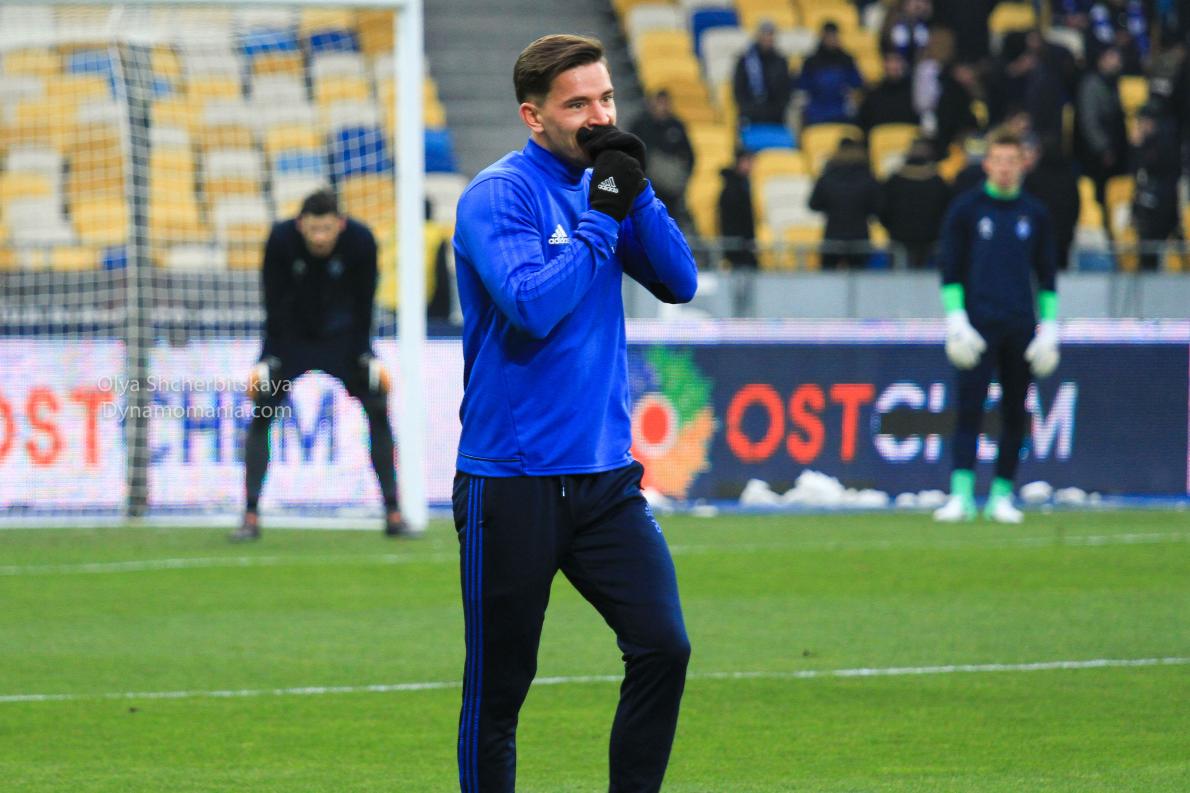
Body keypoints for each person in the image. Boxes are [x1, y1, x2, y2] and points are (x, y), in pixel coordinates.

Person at [450, 34, 696, 793]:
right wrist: (602, 216)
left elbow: (679, 282)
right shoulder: (498, 195)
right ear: (534, 116)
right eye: (578, 103)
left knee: (664, 646)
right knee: (500, 690)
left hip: (604, 478)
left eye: (607, 98)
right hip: (512, 480)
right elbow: (532, 306)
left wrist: (637, 192)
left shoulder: (608, 184)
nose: (600, 116)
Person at [233, 188, 408, 541]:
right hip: (290, 341)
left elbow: (364, 303)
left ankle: (393, 512)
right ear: (301, 225)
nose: (319, 238)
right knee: (262, 411)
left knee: (377, 407)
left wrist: (365, 354)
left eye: (326, 229)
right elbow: (273, 302)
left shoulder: (361, 242)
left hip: (343, 341)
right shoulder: (281, 241)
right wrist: (268, 357)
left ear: (339, 225)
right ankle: (250, 515)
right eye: (313, 229)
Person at [933, 128, 1059, 524]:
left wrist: (1050, 327)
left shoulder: (1035, 214)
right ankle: (961, 495)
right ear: (987, 164)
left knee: (1015, 413)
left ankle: (1002, 495)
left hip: (1020, 326)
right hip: (977, 325)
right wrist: (955, 319)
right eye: (999, 160)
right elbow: (950, 269)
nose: (1005, 168)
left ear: (1023, 164)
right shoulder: (966, 210)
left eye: (1012, 161)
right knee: (968, 410)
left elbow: (1047, 275)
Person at [1075, 45, 1129, 226]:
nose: (1117, 62)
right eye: (1112, 57)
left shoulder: (1113, 83)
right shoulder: (1091, 85)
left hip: (1116, 152)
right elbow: (1089, 122)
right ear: (1102, 59)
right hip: (1096, 157)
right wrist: (1103, 148)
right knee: (1098, 195)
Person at [809, 136, 881, 269]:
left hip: (833, 235)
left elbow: (813, 205)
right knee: (860, 276)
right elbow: (877, 207)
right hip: (859, 235)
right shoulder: (868, 178)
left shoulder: (827, 178)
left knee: (828, 275)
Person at [629, 89, 696, 231]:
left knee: (667, 223)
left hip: (670, 189)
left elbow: (690, 155)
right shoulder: (640, 124)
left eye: (665, 103)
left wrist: (682, 177)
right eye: (659, 103)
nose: (662, 107)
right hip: (645, 185)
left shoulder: (676, 125)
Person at [879, 139, 952, 268]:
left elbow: (882, 208)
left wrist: (891, 228)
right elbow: (946, 209)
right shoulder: (937, 181)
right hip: (929, 237)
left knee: (896, 273)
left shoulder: (894, 180)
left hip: (899, 236)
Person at [1130, 100, 1184, 271]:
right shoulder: (1161, 141)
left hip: (1160, 206)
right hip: (1156, 204)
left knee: (1153, 249)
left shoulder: (1161, 144)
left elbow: (1151, 168)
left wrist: (1138, 147)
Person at [1023, 134, 1081, 271]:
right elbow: (1076, 207)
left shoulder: (1032, 178)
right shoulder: (1070, 178)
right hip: (1063, 240)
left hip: (1037, 238)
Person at [797, 21, 864, 127]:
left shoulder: (847, 60)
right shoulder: (811, 62)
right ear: (822, 37)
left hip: (841, 111)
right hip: (816, 112)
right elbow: (802, 87)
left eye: (834, 36)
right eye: (828, 36)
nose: (831, 39)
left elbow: (857, 84)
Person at [731, 20, 795, 127]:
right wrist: (749, 110)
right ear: (758, 36)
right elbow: (739, 90)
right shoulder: (745, 60)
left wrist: (778, 109)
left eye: (770, 34)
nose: (767, 38)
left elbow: (786, 89)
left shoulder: (781, 61)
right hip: (750, 114)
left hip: (776, 115)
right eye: (765, 34)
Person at [858, 50, 920, 133]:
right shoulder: (873, 95)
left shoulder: (916, 93)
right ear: (883, 65)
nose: (893, 66)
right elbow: (864, 123)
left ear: (904, 64)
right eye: (889, 61)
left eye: (897, 61)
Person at [718, 147, 758, 270]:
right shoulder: (732, 187)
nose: (751, 166)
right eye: (748, 161)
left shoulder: (742, 183)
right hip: (736, 244)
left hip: (743, 243)